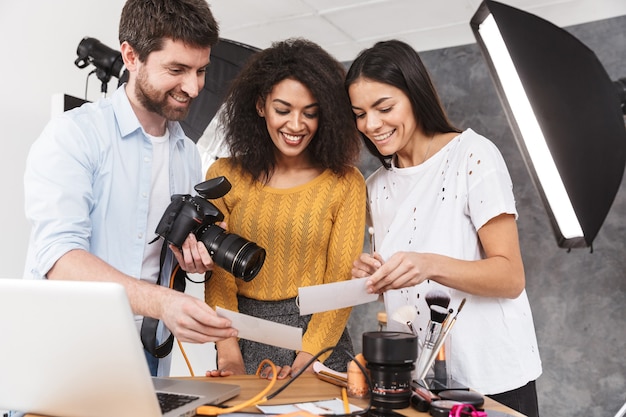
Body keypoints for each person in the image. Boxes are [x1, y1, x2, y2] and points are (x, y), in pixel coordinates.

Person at [23, 0, 237, 377]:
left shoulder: (186, 153)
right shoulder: (74, 135)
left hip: (149, 351)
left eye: (201, 70)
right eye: (177, 69)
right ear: (131, 56)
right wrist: (161, 302)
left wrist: (190, 260)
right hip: (69, 352)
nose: (193, 86)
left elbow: (163, 262)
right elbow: (58, 259)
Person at [346, 40, 542, 417]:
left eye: (384, 108)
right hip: (421, 383)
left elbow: (510, 276)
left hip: (493, 378)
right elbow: (398, 290)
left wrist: (429, 264)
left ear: (416, 96)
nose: (371, 124)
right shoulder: (374, 188)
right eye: (359, 113)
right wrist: (369, 276)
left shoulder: (472, 155)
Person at [203, 38, 366, 379]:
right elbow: (219, 279)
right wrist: (229, 354)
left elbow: (339, 282)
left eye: (310, 112)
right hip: (243, 334)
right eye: (283, 110)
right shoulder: (224, 175)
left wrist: (309, 360)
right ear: (261, 105)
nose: (296, 125)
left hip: (320, 341)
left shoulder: (345, 182)